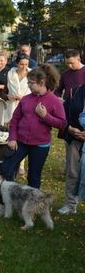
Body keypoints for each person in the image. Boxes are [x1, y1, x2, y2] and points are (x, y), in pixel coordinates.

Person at [0, 65, 66, 189]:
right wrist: (12, 138)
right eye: (28, 82)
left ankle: (32, 206)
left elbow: (62, 123)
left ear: (41, 83)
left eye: (31, 82)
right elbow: (14, 120)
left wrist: (46, 116)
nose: (28, 85)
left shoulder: (54, 101)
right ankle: (5, 202)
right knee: (6, 169)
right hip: (20, 142)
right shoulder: (25, 99)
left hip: (40, 145)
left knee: (33, 177)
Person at [57, 50, 85, 215]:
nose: (69, 66)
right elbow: (65, 113)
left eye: (72, 62)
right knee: (73, 171)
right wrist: (69, 128)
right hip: (74, 135)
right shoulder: (76, 92)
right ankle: (70, 204)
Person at [6, 54, 32, 176]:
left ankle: (21, 164)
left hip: (26, 106)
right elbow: (4, 89)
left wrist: (25, 98)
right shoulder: (10, 73)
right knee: (9, 132)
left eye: (26, 64)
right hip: (11, 105)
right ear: (16, 63)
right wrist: (8, 95)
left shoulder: (32, 74)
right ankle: (7, 158)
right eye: (21, 64)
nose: (24, 67)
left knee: (22, 134)